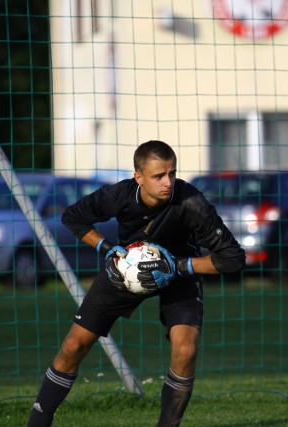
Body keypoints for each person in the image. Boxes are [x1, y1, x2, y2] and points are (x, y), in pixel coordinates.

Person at [27, 140, 246, 426]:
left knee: (185, 349)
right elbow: (74, 217)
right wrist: (106, 248)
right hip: (126, 268)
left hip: (179, 273)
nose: (168, 182)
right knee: (74, 345)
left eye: (172, 173)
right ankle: (37, 423)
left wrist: (179, 266)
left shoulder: (191, 202)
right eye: (158, 176)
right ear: (138, 177)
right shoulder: (120, 194)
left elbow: (233, 258)